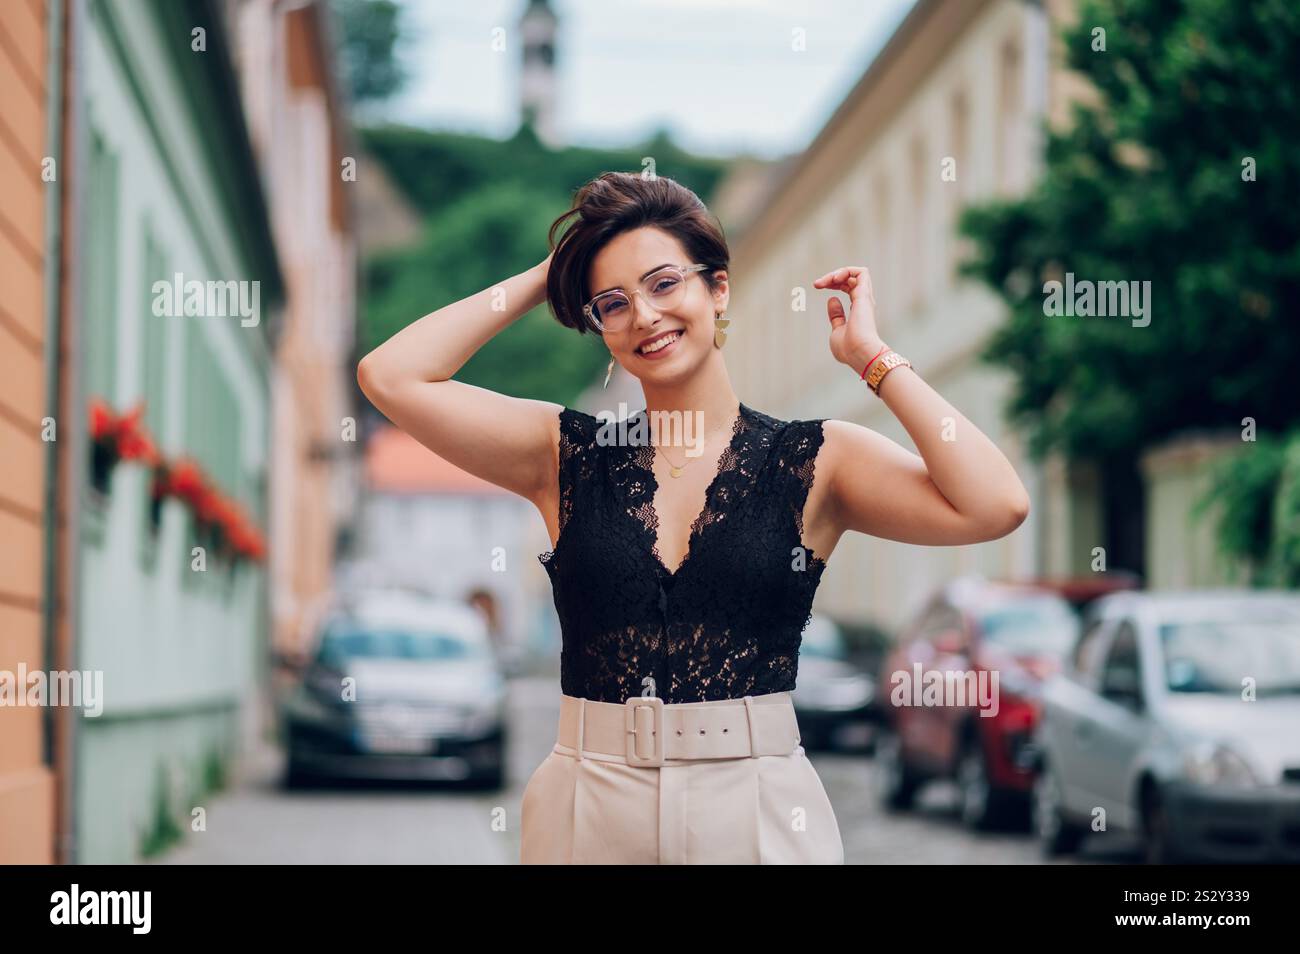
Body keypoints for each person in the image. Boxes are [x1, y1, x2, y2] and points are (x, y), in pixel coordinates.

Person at [357, 171, 1030, 864]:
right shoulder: (563, 456)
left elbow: (996, 503)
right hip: (588, 801)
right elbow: (391, 375)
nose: (644, 315)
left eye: (664, 283)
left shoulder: (818, 459)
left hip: (757, 799)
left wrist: (873, 360)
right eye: (611, 304)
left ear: (718, 288)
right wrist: (548, 273)